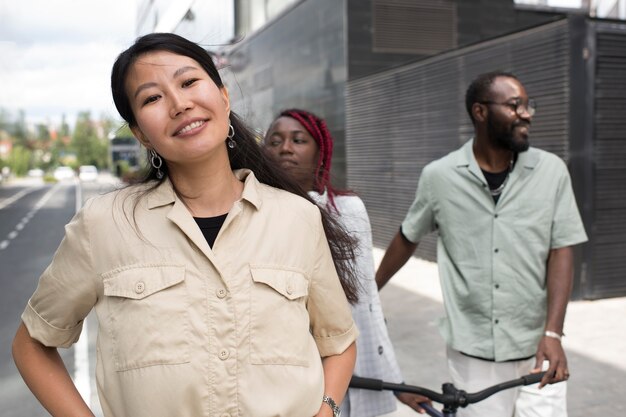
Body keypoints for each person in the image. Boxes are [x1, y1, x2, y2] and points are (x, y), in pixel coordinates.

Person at [12, 33, 360, 417]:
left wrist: (326, 409)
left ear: (224, 98)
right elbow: (32, 343)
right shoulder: (104, 223)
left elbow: (339, 341)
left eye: (189, 82)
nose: (179, 104)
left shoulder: (298, 218)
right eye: (152, 98)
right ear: (141, 133)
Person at [375, 71, 587, 417]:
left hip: (537, 347)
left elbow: (562, 248)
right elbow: (407, 236)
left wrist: (554, 332)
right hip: (472, 353)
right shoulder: (439, 176)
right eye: (515, 105)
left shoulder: (552, 171)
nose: (527, 113)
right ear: (480, 112)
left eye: (528, 105)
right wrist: (368, 293)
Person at [264, 109, 431, 416]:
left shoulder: (347, 210)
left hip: (346, 374)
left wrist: (397, 385)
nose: (285, 148)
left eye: (298, 140)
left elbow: (366, 306)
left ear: (321, 154)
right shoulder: (254, 213)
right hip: (283, 381)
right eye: (275, 141)